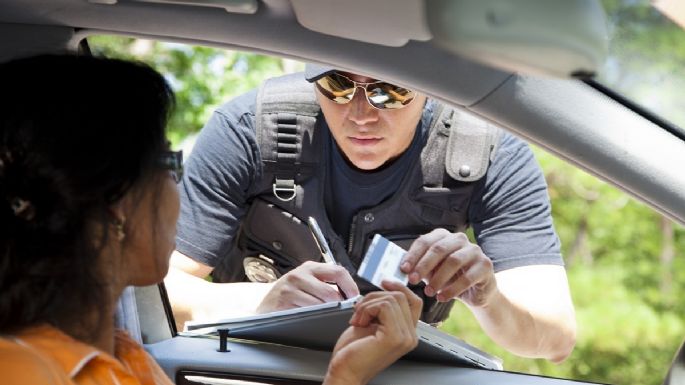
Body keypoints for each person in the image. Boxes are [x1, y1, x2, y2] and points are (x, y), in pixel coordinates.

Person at [0, 54, 421, 385]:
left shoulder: (119, 352)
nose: (178, 191)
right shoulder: (26, 371)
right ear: (116, 206)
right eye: (167, 163)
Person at [167, 66, 577, 362]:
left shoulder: (491, 153)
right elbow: (150, 290)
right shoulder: (248, 131)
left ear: (430, 86)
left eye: (390, 90)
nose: (362, 114)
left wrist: (488, 298)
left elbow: (554, 339)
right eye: (338, 84)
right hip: (253, 366)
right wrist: (262, 301)